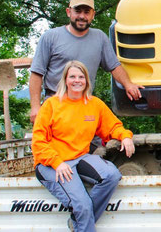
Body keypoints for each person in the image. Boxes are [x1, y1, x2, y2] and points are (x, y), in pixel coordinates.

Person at [32, 60, 135, 232]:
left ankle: (78, 220)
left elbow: (112, 126)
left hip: (79, 157)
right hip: (51, 163)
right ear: (65, 80)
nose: (77, 80)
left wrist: (125, 136)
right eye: (72, 76)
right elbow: (38, 141)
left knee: (111, 175)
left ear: (87, 81)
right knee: (83, 205)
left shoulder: (94, 104)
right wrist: (57, 163)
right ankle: (82, 216)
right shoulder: (51, 105)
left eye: (81, 77)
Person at [29, 0, 143, 123]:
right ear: (68, 12)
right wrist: (35, 107)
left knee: (99, 140)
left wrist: (128, 84)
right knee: (56, 142)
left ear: (93, 14)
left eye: (86, 12)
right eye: (77, 11)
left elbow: (114, 66)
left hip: (85, 104)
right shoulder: (50, 37)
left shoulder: (100, 38)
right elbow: (36, 73)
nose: (82, 16)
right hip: (55, 105)